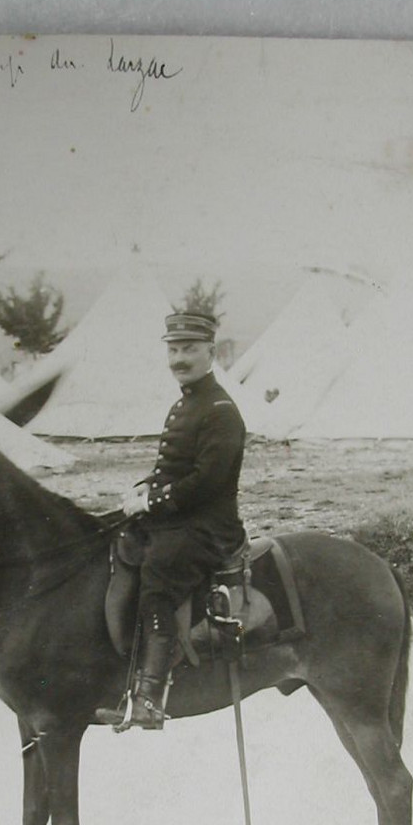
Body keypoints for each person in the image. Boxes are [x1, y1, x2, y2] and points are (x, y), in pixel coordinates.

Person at [102, 311, 247, 730]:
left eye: (189, 349)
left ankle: (150, 693)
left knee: (159, 577)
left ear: (211, 353)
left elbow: (207, 481)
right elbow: (174, 468)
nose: (179, 358)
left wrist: (153, 502)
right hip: (180, 517)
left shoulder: (220, 409)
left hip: (208, 526)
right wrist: (142, 488)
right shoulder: (187, 401)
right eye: (174, 349)